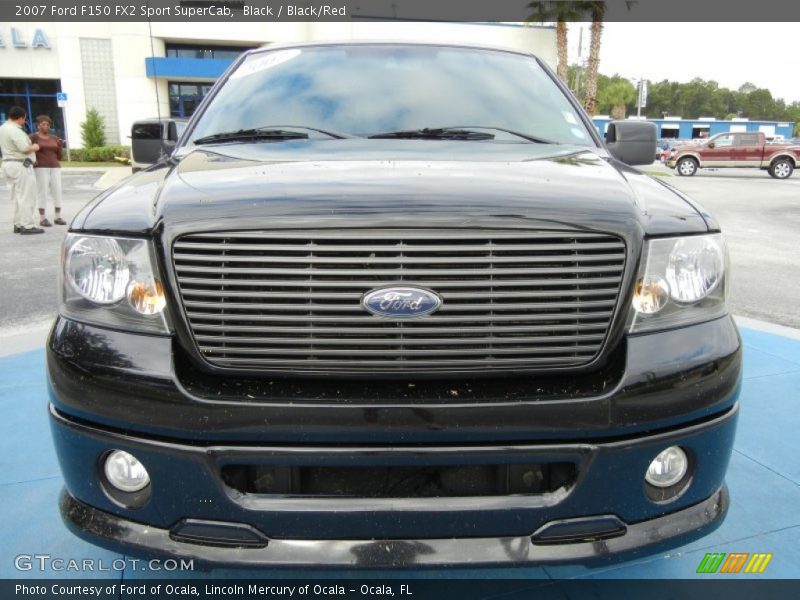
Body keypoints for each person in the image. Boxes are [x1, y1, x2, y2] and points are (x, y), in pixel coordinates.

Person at [0, 106, 43, 234]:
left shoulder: (2, 128)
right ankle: (27, 225)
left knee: (18, 196)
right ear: (20, 118)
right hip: (20, 165)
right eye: (24, 119)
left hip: (8, 164)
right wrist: (35, 147)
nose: (24, 121)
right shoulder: (15, 130)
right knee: (27, 196)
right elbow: (24, 148)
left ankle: (18, 223)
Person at [29, 115, 65, 226]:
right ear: (38, 125)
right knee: (42, 191)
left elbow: (59, 157)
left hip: (55, 166)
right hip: (40, 168)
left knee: (57, 190)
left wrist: (60, 146)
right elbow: (28, 151)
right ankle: (42, 218)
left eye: (48, 124)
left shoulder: (54, 138)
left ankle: (58, 217)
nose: (46, 126)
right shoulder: (33, 137)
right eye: (43, 124)